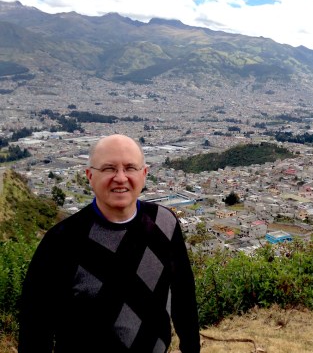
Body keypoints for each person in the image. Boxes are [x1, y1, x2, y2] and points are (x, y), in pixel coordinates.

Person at [18, 134, 200, 353]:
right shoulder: (61, 242)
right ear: (89, 176)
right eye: (108, 168)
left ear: (144, 174)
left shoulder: (165, 223)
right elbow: (35, 328)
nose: (120, 178)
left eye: (130, 168)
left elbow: (184, 295)